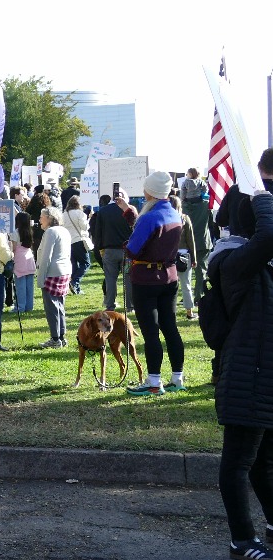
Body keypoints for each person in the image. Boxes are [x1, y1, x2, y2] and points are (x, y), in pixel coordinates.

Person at [208, 164, 273, 560]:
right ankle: (241, 539)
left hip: (262, 373)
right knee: (239, 460)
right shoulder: (233, 262)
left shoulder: (257, 263)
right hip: (246, 375)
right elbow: (270, 235)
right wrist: (263, 198)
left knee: (265, 461)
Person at [125, 170, 184, 396]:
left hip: (146, 279)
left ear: (150, 191)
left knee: (151, 332)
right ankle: (177, 377)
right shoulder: (175, 213)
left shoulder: (149, 217)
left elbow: (132, 249)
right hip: (169, 275)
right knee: (170, 328)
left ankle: (153, 381)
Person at [91, 189, 135, 312]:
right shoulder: (129, 210)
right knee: (128, 278)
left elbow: (98, 233)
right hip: (127, 252)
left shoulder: (103, 211)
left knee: (110, 278)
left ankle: (110, 305)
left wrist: (99, 248)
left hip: (109, 251)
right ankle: (130, 306)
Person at [34, 206, 71, 348]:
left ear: (49, 218)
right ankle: (61, 336)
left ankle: (55, 339)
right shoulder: (64, 231)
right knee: (60, 305)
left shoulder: (50, 232)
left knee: (51, 307)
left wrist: (40, 278)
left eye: (41, 216)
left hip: (52, 272)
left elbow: (46, 257)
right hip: (64, 271)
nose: (39, 220)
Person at [181, 167, 212, 300]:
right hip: (203, 242)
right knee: (201, 272)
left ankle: (186, 296)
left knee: (184, 273)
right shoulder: (206, 205)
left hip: (186, 245)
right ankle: (199, 295)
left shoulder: (182, 208)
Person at [170, 194, 198, 320]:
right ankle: (189, 312)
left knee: (171, 286)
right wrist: (194, 258)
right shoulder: (184, 218)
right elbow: (190, 240)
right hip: (184, 255)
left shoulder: (166, 219)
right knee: (186, 284)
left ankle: (171, 312)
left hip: (169, 255)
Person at [62, 195, 92, 294]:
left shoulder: (64, 214)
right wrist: (89, 218)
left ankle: (76, 288)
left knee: (73, 265)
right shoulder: (80, 214)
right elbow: (85, 227)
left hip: (68, 242)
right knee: (86, 263)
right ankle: (74, 282)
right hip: (78, 240)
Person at [12, 211, 36, 314]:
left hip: (19, 258)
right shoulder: (30, 231)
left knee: (20, 285)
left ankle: (20, 307)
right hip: (29, 257)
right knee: (29, 285)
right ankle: (29, 306)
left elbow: (13, 248)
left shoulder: (15, 232)